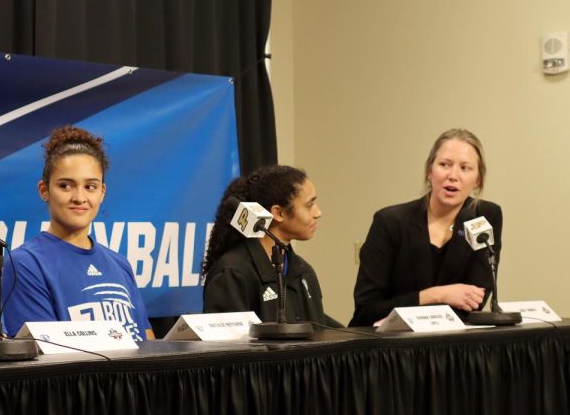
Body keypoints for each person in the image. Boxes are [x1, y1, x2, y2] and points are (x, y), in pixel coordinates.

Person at [1, 125, 152, 342]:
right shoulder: (25, 264)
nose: (79, 197)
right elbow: (45, 359)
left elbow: (147, 344)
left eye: (90, 186)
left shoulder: (120, 264)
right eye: (66, 186)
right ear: (44, 190)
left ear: (102, 192)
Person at [350, 128, 499, 326]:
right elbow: (367, 310)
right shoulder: (390, 222)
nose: (453, 175)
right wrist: (438, 295)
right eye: (445, 165)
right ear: (430, 171)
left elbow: (473, 300)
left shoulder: (485, 215)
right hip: (390, 346)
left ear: (477, 180)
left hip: (453, 343)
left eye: (465, 168)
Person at [201, 165, 338, 326]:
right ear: (278, 213)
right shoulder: (232, 273)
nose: (318, 213)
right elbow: (228, 347)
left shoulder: (303, 271)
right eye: (309, 205)